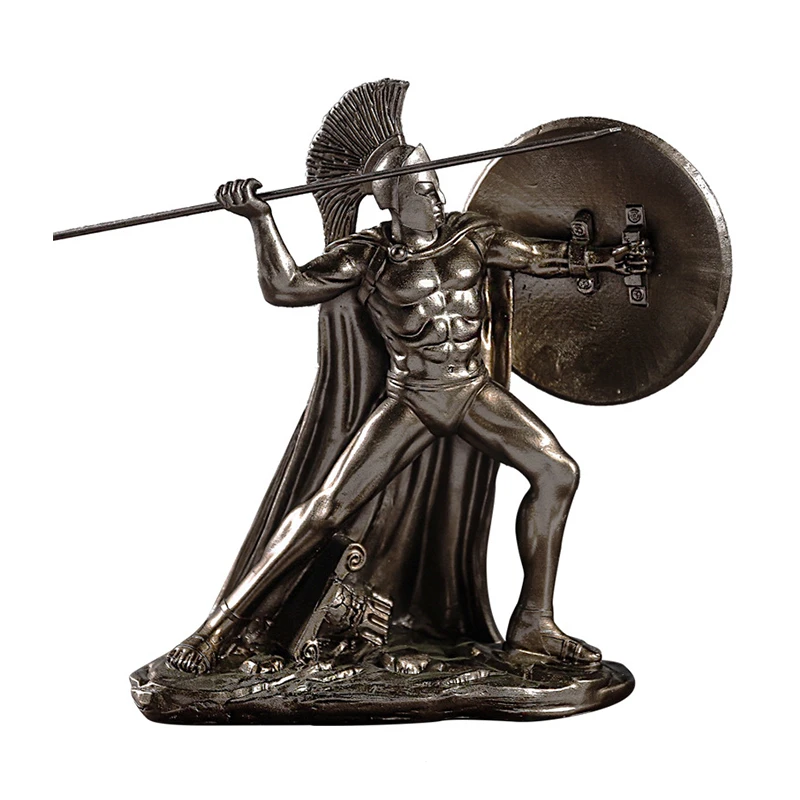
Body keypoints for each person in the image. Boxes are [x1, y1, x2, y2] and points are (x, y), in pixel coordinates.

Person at [167, 141, 646, 675]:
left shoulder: (471, 236)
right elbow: (286, 287)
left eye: (436, 185)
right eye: (423, 190)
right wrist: (259, 219)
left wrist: (609, 258)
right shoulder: (367, 256)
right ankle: (218, 629)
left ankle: (535, 623)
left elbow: (539, 256)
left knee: (558, 471)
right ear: (393, 200)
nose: (437, 198)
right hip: (412, 400)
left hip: (471, 392)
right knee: (326, 508)